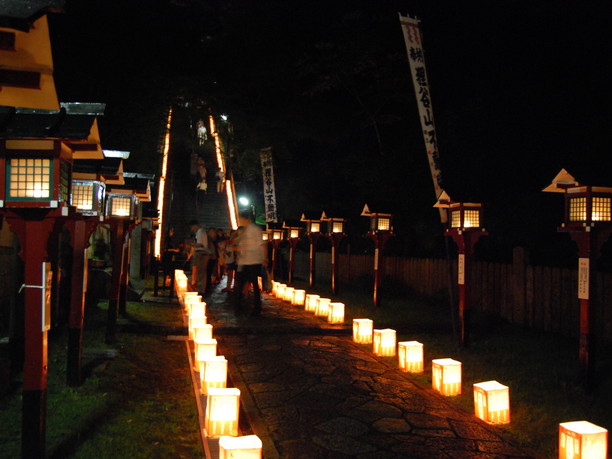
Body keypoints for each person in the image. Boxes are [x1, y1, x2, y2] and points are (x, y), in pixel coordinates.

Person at [234, 210, 266, 316]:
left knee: (254, 284)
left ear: (245, 219)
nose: (240, 221)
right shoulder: (245, 231)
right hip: (245, 261)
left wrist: (264, 258)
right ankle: (240, 305)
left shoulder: (254, 229)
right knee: (242, 283)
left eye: (241, 219)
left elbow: (262, 244)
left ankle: (256, 307)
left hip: (254, 261)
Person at [189, 220, 211, 295]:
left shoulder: (200, 232)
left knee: (201, 272)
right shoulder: (201, 232)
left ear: (195, 225)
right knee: (201, 272)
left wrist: (191, 244)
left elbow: (200, 244)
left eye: (192, 227)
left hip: (201, 253)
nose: (192, 229)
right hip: (203, 253)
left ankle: (201, 289)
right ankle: (200, 288)